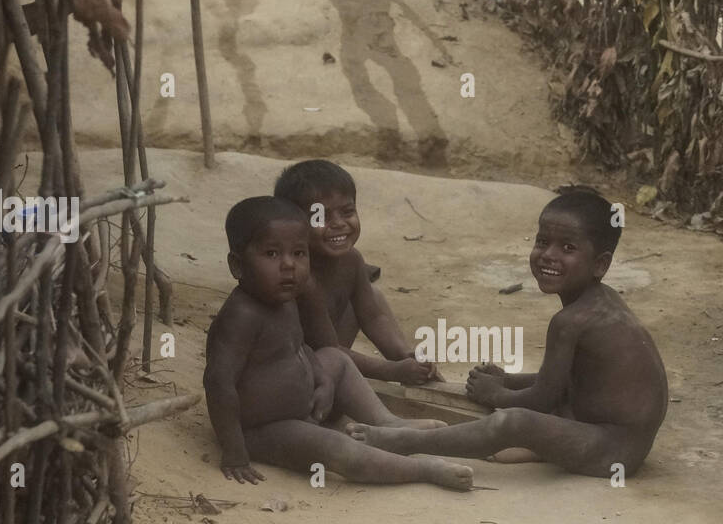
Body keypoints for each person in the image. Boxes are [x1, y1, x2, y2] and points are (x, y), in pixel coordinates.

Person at [349, 187, 668, 478]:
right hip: (616, 436)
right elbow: (563, 379)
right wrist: (508, 380)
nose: (549, 255)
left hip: (613, 451)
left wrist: (498, 395)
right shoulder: (601, 302)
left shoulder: (571, 321)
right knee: (532, 406)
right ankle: (542, 447)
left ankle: (407, 441)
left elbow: (544, 398)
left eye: (567, 248)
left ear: (600, 264)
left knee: (514, 421)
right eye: (543, 242)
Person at [203, 196, 473, 491]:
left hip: (308, 404)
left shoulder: (286, 299)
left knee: (334, 356)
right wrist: (234, 451)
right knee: (335, 447)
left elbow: (300, 347)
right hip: (267, 428)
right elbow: (219, 382)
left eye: (299, 253)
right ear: (237, 266)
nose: (289, 266)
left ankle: (387, 423)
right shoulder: (242, 315)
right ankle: (422, 469)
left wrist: (322, 379)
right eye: (271, 254)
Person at [273, 159, 439, 384]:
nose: (339, 223)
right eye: (321, 217)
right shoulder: (299, 275)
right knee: (329, 357)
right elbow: (326, 348)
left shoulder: (352, 260)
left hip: (333, 354)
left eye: (347, 211)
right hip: (297, 371)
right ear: (293, 224)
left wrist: (404, 357)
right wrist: (390, 371)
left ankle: (415, 367)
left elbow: (373, 317)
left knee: (373, 297)